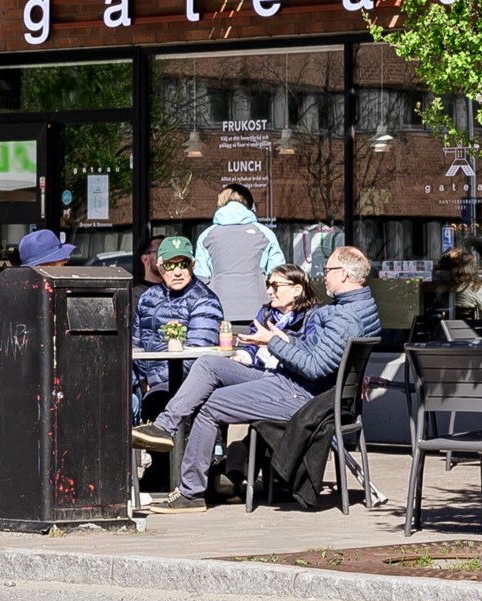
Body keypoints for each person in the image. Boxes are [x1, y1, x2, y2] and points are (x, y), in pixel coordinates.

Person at [135, 246, 382, 514]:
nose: (323, 276)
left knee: (208, 406)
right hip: (292, 382)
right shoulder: (357, 307)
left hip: (302, 394)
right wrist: (286, 340)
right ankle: (164, 427)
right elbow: (318, 353)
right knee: (208, 364)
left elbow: (314, 368)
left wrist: (273, 342)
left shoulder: (345, 317)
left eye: (328, 271)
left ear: (344, 275)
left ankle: (190, 492)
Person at [131, 236, 225, 428]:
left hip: (190, 384)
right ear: (159, 266)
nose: (177, 272)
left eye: (183, 264)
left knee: (157, 402)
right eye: (169, 265)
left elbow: (197, 356)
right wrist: (142, 380)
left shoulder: (204, 300)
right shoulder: (148, 297)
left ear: (193, 265)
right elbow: (136, 342)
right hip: (149, 383)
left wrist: (152, 380)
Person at [194, 183, 285, 324]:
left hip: (218, 311)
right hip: (259, 311)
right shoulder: (265, 234)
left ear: (220, 204)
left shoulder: (207, 236)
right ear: (249, 205)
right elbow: (279, 276)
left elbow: (201, 279)